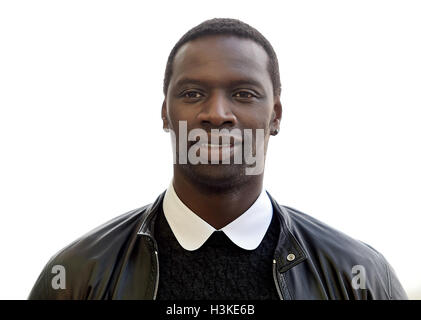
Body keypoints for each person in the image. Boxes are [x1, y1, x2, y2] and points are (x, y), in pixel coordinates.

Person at [28, 18, 408, 300]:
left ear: (275, 115)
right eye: (193, 94)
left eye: (243, 94)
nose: (217, 113)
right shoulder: (77, 276)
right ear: (165, 113)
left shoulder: (360, 277)